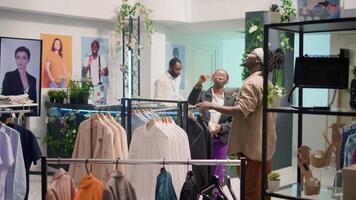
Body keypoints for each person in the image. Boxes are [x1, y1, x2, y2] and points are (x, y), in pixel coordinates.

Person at [196, 48, 277, 200]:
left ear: (258, 60)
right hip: (264, 146)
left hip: (251, 148)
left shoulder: (252, 83)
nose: (247, 56)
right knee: (262, 189)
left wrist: (211, 106)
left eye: (251, 54)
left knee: (250, 191)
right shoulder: (267, 82)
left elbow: (241, 111)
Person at [188, 69, 234, 185]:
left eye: (223, 75)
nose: (220, 76)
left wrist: (222, 127)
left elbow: (233, 121)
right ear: (213, 77)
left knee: (217, 173)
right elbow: (191, 101)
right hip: (204, 138)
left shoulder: (231, 99)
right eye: (218, 74)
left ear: (226, 80)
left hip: (221, 139)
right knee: (201, 170)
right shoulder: (203, 94)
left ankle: (215, 196)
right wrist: (199, 83)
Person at [82, 40, 109, 104]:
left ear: (98, 48)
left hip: (99, 86)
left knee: (99, 106)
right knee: (89, 104)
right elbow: (83, 73)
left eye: (96, 47)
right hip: (89, 86)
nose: (94, 48)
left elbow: (107, 72)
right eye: (93, 46)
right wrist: (89, 64)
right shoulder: (87, 59)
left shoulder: (102, 58)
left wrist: (103, 73)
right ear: (91, 48)